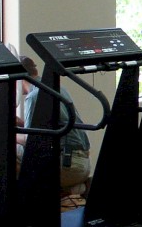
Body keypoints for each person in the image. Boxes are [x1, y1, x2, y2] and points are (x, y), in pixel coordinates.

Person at [16, 55, 92, 193]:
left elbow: (30, 140)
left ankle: (27, 200)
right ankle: (72, 188)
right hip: (83, 163)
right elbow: (48, 126)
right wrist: (21, 123)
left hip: (68, 165)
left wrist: (9, 134)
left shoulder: (34, 96)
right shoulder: (57, 88)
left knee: (10, 149)